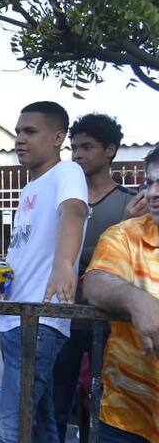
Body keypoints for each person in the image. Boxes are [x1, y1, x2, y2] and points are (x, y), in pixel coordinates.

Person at [0, 101, 89, 443]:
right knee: (42, 424)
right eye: (17, 132)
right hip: (17, 316)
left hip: (39, 320)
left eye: (30, 132)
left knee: (11, 423)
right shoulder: (30, 188)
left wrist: (63, 265)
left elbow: (73, 212)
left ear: (58, 138)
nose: (19, 139)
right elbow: (28, 247)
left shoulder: (66, 172)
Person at [53, 113, 144, 440]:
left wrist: (125, 225)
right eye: (73, 147)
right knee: (56, 405)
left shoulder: (132, 203)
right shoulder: (62, 200)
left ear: (110, 150)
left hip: (110, 325)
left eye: (87, 147)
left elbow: (133, 260)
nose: (77, 154)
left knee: (104, 406)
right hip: (62, 320)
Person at [81, 146, 159, 443]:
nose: (153, 193)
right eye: (149, 182)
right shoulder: (125, 234)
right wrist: (138, 301)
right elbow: (96, 281)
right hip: (126, 417)